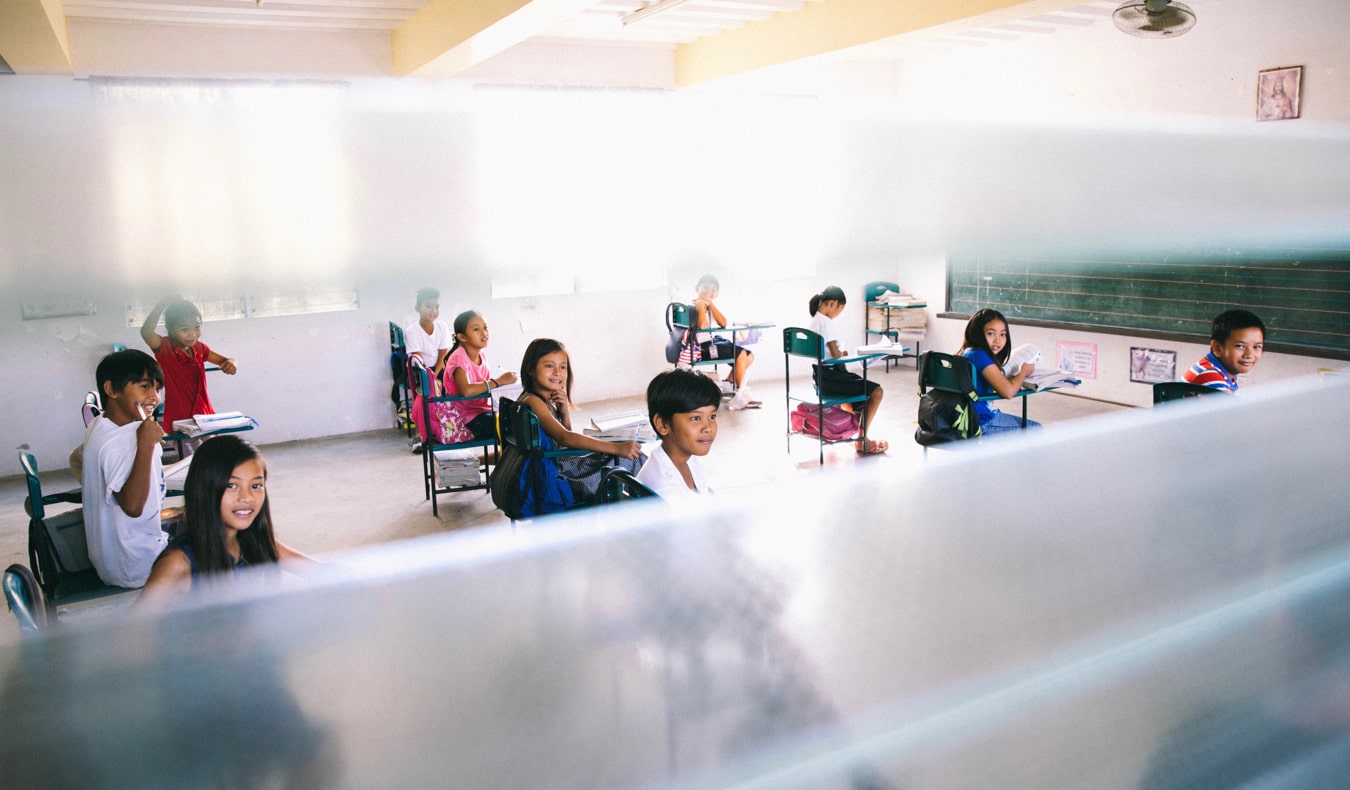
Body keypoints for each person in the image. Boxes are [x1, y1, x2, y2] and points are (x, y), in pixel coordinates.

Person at [137, 435, 315, 609]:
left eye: (256, 486)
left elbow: (321, 571)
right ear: (205, 489)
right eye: (231, 486)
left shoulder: (252, 541)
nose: (247, 498)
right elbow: (133, 631)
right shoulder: (178, 563)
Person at [82, 349, 169, 588]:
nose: (154, 397)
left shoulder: (100, 424)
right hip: (137, 564)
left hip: (111, 559)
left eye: (157, 388)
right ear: (112, 390)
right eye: (144, 386)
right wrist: (145, 444)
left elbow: (76, 457)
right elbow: (132, 507)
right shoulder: (128, 439)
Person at [517, 338, 644, 502]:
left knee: (625, 454)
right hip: (558, 476)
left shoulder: (541, 400)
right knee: (631, 459)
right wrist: (616, 448)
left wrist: (563, 412)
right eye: (549, 366)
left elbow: (564, 440)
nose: (558, 372)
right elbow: (565, 438)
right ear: (530, 369)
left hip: (556, 466)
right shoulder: (533, 402)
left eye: (563, 367)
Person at [807, 286, 888, 454]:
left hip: (820, 377)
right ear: (833, 303)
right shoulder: (826, 322)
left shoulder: (814, 321)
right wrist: (842, 353)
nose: (838, 314)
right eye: (840, 310)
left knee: (860, 392)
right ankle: (862, 439)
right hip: (833, 377)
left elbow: (826, 352)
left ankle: (860, 437)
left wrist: (837, 353)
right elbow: (835, 354)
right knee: (876, 392)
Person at [140, 296, 238, 435]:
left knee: (212, 450)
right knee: (191, 454)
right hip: (180, 417)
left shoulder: (199, 348)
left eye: (197, 327)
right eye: (185, 329)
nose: (193, 334)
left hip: (203, 413)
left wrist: (231, 363)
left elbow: (226, 360)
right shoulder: (165, 348)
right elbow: (146, 332)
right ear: (170, 329)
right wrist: (161, 305)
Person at [637, 369, 721, 501]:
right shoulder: (666, 490)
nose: (708, 428)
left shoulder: (686, 458)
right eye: (696, 418)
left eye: (712, 416)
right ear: (663, 424)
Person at [435, 310, 518, 444]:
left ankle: (510, 462)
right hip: (466, 418)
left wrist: (505, 382)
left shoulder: (482, 356)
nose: (484, 332)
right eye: (476, 329)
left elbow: (484, 386)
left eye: (485, 328)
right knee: (517, 428)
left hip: (483, 412)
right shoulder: (459, 357)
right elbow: (466, 390)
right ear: (462, 337)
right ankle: (507, 463)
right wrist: (498, 381)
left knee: (520, 420)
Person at [958, 307, 1042, 434]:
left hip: (961, 419)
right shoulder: (979, 355)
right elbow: (1008, 392)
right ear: (977, 334)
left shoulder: (966, 352)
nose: (998, 340)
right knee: (1035, 429)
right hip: (980, 423)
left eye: (1003, 334)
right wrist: (1023, 371)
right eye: (991, 333)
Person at [692, 274, 760, 411]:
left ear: (716, 294)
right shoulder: (697, 304)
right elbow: (702, 326)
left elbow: (723, 323)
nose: (708, 291)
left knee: (749, 355)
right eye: (705, 287)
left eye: (713, 289)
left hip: (712, 340)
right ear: (697, 288)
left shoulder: (708, 304)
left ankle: (728, 382)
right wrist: (701, 305)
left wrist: (711, 304)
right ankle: (741, 393)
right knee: (740, 355)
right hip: (702, 347)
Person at [405, 287, 452, 450]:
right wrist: (429, 377)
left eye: (436, 307)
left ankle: (445, 430)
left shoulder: (442, 327)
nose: (433, 311)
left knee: (448, 390)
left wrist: (437, 373)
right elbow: (417, 359)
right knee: (423, 395)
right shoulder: (412, 331)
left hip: (439, 367)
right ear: (417, 308)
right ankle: (419, 436)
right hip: (420, 369)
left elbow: (443, 355)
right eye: (428, 306)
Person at [1183, 309, 1265, 393]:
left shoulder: (1226, 370)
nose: (1249, 355)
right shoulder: (1210, 375)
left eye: (1256, 347)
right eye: (1240, 346)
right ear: (1218, 348)